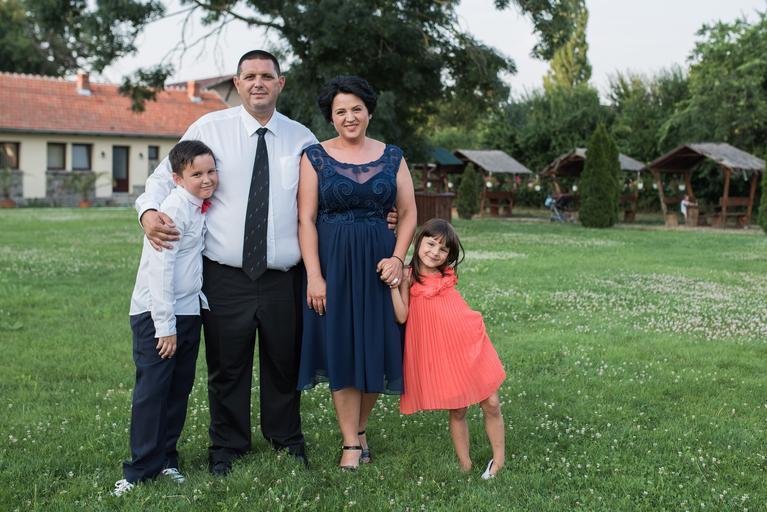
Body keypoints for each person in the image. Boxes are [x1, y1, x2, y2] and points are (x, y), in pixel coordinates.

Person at [135, 50, 317, 475]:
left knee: (283, 362)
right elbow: (164, 177)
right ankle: (228, 446)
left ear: (280, 83)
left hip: (283, 276)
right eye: (249, 76)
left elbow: (321, 198)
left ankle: (285, 439)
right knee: (227, 366)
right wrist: (147, 212)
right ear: (237, 84)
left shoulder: (302, 139)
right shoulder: (208, 128)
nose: (258, 83)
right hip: (224, 274)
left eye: (267, 76)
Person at [296, 75, 417, 470]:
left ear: (369, 113)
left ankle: (360, 428)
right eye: (340, 111)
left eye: (356, 109)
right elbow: (306, 218)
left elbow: (409, 213)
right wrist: (315, 275)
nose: (349, 117)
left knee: (377, 345)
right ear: (331, 118)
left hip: (379, 264)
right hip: (333, 263)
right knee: (342, 347)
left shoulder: (392, 156)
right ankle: (350, 442)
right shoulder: (314, 156)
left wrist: (398, 258)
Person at [113, 140, 218, 496]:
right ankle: (139, 470)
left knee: (178, 389)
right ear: (177, 179)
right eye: (197, 174)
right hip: (157, 315)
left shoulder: (198, 206)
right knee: (153, 391)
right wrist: (165, 327)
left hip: (188, 311)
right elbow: (160, 272)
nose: (207, 179)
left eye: (211, 171)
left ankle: (166, 459)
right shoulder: (172, 210)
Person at [391, 219, 506, 479]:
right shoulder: (408, 276)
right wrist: (393, 288)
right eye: (431, 244)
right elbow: (402, 315)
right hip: (443, 350)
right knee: (458, 408)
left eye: (443, 249)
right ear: (419, 240)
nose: (435, 252)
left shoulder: (445, 274)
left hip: (469, 341)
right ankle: (465, 464)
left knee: (492, 402)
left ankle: (498, 461)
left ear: (449, 255)